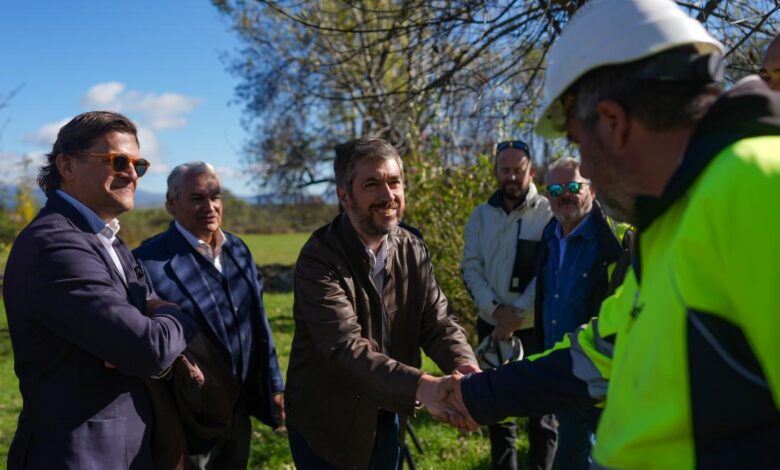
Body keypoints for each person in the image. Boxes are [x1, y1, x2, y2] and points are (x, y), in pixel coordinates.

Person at [442, 0, 780, 467]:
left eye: (581, 145)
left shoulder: (761, 186)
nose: (583, 173)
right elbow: (598, 354)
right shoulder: (670, 223)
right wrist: (479, 395)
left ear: (614, 123)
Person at [3, 111, 198, 469]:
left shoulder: (106, 239)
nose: (131, 173)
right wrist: (178, 315)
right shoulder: (55, 244)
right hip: (82, 456)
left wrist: (150, 324)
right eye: (117, 161)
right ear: (67, 165)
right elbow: (147, 347)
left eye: (139, 165)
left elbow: (140, 335)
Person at [285, 137, 479, 470]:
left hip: (389, 409)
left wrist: (466, 369)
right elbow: (345, 348)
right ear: (344, 196)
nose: (387, 195)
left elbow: (437, 322)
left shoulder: (412, 248)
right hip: (327, 424)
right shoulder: (319, 259)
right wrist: (425, 387)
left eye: (394, 182)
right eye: (372, 184)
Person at [134, 161, 285, 469]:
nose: (210, 206)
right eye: (197, 198)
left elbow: (259, 322)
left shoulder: (238, 250)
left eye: (215, 196)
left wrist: (274, 384)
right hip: (188, 419)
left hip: (240, 409)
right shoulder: (148, 262)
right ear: (171, 204)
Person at [460, 140, 556, 470]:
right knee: (498, 412)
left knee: (542, 417)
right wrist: (495, 312)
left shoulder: (547, 212)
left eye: (518, 170)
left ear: (531, 171)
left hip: (533, 328)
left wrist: (516, 315)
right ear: (496, 172)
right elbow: (470, 267)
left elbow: (547, 270)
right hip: (491, 326)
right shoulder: (480, 216)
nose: (512, 177)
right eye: (505, 170)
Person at [532, 157, 630, 469]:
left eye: (574, 186)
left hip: (597, 371)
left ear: (592, 190)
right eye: (556, 188)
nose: (565, 194)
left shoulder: (614, 241)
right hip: (560, 366)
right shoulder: (549, 236)